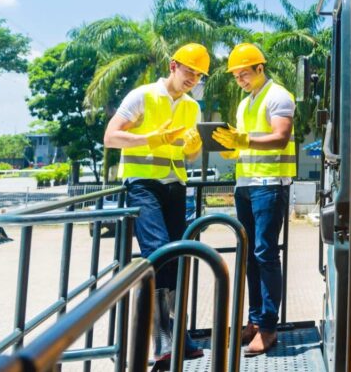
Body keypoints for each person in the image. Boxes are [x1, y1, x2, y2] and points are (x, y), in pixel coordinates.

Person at [104, 43, 210, 366]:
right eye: (188, 70)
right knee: (160, 252)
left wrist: (193, 149)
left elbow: (188, 153)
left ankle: (178, 336)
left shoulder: (193, 108)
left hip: (175, 186)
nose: (193, 77)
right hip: (142, 186)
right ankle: (163, 339)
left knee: (175, 258)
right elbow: (110, 137)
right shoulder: (143, 96)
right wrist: (151, 139)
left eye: (199, 73)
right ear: (173, 65)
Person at [213, 42, 296, 356]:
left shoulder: (279, 96)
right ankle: (255, 320)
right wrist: (232, 147)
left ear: (260, 68)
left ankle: (269, 327)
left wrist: (243, 139)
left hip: (269, 185)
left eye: (244, 74)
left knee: (265, 254)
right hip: (245, 186)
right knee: (249, 255)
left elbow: (280, 137)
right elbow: (245, 143)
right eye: (236, 76)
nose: (240, 80)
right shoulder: (245, 103)